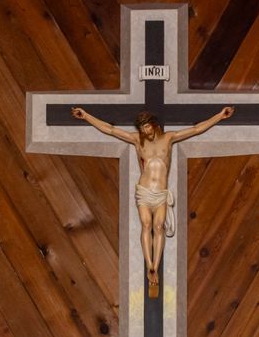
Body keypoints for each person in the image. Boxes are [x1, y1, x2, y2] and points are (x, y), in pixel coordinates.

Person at [67, 105, 236, 297]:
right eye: (142, 129)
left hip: (160, 193)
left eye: (147, 127)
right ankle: (150, 266)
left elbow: (196, 129)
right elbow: (111, 130)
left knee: (159, 226)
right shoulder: (137, 141)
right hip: (145, 192)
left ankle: (156, 264)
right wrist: (87, 116)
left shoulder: (168, 138)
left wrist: (220, 116)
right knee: (146, 225)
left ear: (153, 125)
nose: (145, 132)